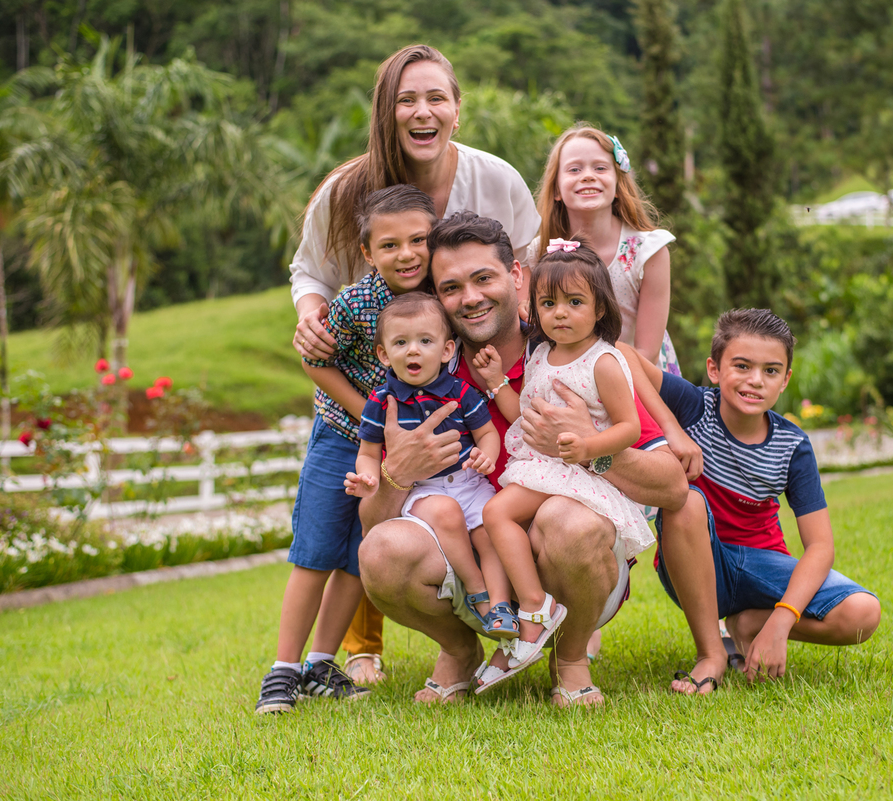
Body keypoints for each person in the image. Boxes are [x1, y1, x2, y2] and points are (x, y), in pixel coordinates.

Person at [356, 212, 688, 707]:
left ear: (517, 276)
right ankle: (460, 650)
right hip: (480, 575)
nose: (469, 297)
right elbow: (369, 526)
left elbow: (672, 488)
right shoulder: (417, 376)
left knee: (566, 519)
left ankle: (571, 658)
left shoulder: (574, 356)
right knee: (381, 551)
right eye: (451, 287)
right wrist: (394, 475)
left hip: (574, 563)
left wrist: (586, 450)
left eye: (483, 278)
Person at [288, 44, 541, 683]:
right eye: (407, 99)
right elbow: (308, 270)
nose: (422, 111)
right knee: (361, 507)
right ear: (386, 110)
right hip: (378, 373)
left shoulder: (494, 178)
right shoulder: (349, 187)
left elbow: (530, 261)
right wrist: (312, 316)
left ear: (457, 109)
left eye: (435, 97)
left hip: (463, 368)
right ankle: (353, 648)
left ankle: (514, 611)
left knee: (465, 498)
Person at [255, 185, 440, 714]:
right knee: (314, 552)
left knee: (358, 560)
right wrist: (369, 415)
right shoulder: (358, 301)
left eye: (418, 241)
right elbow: (315, 360)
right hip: (342, 433)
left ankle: (319, 664)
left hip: (397, 452)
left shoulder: (437, 300)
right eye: (389, 245)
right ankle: (282, 671)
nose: (405, 254)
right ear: (368, 253)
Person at [631, 309, 881, 695]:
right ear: (714, 369)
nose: (755, 381)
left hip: (761, 565)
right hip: (696, 563)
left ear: (785, 381)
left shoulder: (792, 445)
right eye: (742, 366)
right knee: (684, 500)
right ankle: (710, 653)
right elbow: (622, 354)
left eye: (770, 370)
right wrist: (671, 430)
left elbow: (820, 546)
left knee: (863, 613)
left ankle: (749, 625)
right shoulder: (695, 406)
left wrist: (781, 621)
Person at [473, 240, 650, 692]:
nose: (560, 314)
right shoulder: (539, 355)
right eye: (548, 304)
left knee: (496, 514)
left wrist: (588, 444)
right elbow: (524, 417)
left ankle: (536, 608)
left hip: (572, 470)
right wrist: (496, 383)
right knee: (495, 517)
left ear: (599, 308)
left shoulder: (604, 362)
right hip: (539, 465)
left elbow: (629, 427)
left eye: (575, 303)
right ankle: (535, 607)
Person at [344, 292, 510, 644]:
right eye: (401, 342)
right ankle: (478, 593)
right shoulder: (381, 400)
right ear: (384, 354)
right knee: (446, 513)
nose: (413, 350)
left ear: (447, 350)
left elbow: (486, 433)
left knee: (489, 531)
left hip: (467, 480)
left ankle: (500, 606)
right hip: (423, 489)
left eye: (425, 341)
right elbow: (369, 451)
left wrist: (487, 455)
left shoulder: (460, 391)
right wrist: (369, 476)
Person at [530, 124, 680, 374]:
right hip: (565, 372)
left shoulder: (648, 251)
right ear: (556, 189)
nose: (588, 175)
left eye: (600, 168)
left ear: (618, 185)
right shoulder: (539, 252)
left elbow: (647, 352)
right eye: (574, 169)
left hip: (638, 376)